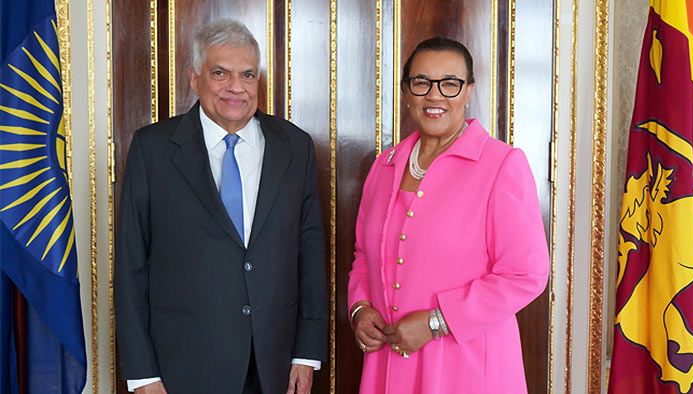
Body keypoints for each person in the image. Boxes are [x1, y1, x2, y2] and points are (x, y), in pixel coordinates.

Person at [114, 19, 328, 394]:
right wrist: (142, 374)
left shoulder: (295, 146)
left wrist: (306, 354)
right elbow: (131, 265)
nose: (236, 88)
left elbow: (309, 254)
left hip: (273, 363)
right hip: (182, 365)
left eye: (247, 75)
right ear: (195, 79)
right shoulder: (153, 149)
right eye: (220, 73)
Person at [347, 37, 549, 393]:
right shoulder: (384, 166)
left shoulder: (501, 165)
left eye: (450, 83)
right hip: (388, 363)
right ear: (406, 91)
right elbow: (364, 256)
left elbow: (525, 274)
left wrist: (436, 323)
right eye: (422, 82)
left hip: (466, 367)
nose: (435, 96)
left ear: (468, 90)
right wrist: (360, 308)